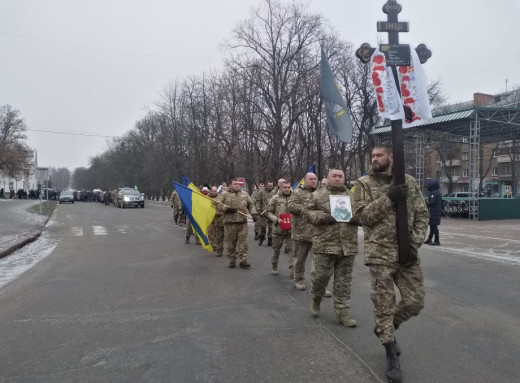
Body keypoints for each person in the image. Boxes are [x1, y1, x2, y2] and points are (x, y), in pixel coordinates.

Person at [352, 144, 428, 383]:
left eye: (379, 155)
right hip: (380, 254)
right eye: (372, 155)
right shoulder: (363, 184)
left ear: (391, 157)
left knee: (415, 301)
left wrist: (415, 244)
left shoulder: (409, 181)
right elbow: (361, 217)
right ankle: (390, 350)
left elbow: (422, 214)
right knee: (383, 305)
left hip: (407, 254)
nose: (374, 159)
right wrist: (388, 197)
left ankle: (388, 326)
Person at [304, 169, 358, 327]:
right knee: (321, 277)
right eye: (334, 176)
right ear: (328, 178)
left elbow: (363, 212)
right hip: (325, 244)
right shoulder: (317, 195)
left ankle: (342, 313)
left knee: (344, 281)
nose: (337, 179)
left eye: (340, 176)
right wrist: (320, 217)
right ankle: (316, 297)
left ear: (344, 178)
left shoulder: (352, 195)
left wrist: (358, 218)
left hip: (347, 245)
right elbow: (306, 212)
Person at [217, 178, 258, 268]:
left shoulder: (244, 194)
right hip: (230, 223)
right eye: (235, 184)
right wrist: (226, 209)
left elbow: (251, 204)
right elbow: (216, 204)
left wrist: (254, 213)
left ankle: (243, 260)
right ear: (230, 185)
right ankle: (232, 260)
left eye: (238, 184)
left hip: (242, 222)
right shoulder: (224, 194)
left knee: (243, 243)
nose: (237, 185)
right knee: (231, 243)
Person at [265, 180, 294, 276]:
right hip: (278, 229)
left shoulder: (294, 198)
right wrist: (276, 220)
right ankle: (274, 266)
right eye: (284, 187)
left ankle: (292, 270)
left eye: (288, 187)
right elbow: (268, 212)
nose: (287, 189)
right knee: (276, 249)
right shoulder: (275, 198)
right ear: (281, 187)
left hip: (291, 229)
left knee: (292, 250)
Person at [207, 186, 225, 256]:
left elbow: (221, 207)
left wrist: (220, 213)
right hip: (210, 219)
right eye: (213, 191)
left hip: (219, 220)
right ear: (211, 191)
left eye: (215, 191)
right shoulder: (207, 198)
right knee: (211, 234)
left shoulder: (220, 198)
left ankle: (219, 248)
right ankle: (214, 246)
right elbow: (208, 209)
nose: (214, 192)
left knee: (219, 236)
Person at [424, 179, 442, 246]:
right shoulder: (436, 192)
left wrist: (425, 202)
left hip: (434, 212)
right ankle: (429, 239)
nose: (428, 187)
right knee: (432, 226)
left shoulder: (434, 193)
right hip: (435, 212)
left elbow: (432, 202)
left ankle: (437, 240)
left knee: (434, 226)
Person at [258, 181, 274, 246]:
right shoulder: (261, 192)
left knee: (271, 227)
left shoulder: (274, 192)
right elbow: (258, 201)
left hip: (271, 212)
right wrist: (258, 209)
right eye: (269, 186)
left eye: (271, 186)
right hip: (263, 212)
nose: (270, 187)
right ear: (266, 185)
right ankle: (261, 238)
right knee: (263, 226)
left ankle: (270, 241)